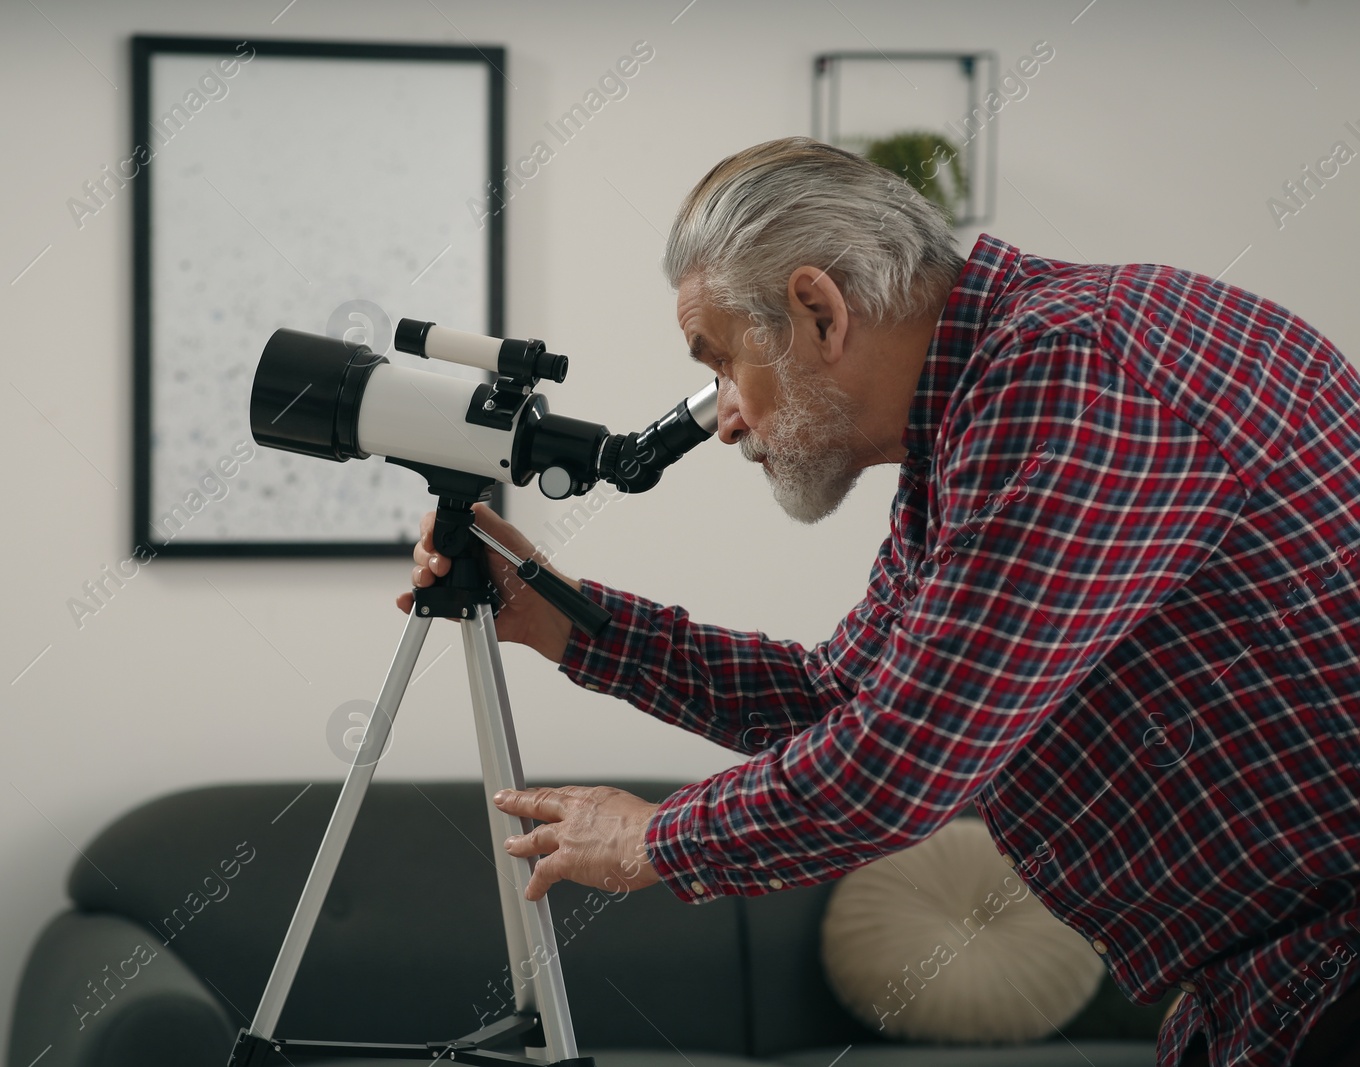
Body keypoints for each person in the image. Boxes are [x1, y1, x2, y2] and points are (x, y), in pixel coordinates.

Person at [397, 137, 1360, 1067]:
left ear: (817, 309)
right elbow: (837, 698)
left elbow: (900, 762)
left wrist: (656, 837)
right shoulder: (971, 416)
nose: (726, 417)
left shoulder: (1071, 374)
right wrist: (564, 621)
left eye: (721, 361)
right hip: (1274, 985)